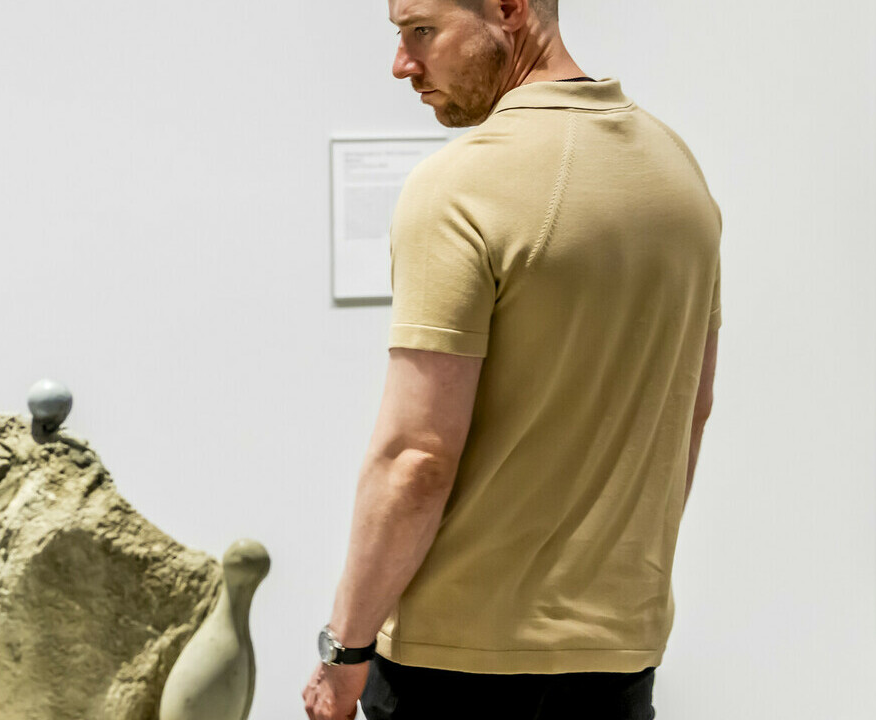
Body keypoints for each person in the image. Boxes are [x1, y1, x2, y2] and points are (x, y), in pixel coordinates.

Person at [300, 0, 721, 717]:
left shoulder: (458, 187)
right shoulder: (677, 173)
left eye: (422, 31)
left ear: (509, 9)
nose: (403, 64)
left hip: (456, 668)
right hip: (619, 663)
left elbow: (416, 459)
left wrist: (345, 652)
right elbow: (692, 409)